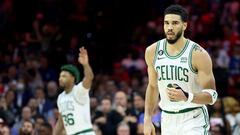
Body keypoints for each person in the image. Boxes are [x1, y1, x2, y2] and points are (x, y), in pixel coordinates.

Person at [144, 4, 218, 135]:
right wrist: (147, 119)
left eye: (175, 23)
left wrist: (187, 96)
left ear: (185, 25)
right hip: (167, 118)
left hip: (193, 118)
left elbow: (212, 96)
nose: (170, 27)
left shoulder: (198, 54)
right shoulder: (152, 51)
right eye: (166, 23)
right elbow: (152, 86)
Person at [53, 47, 95, 135]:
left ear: (73, 78)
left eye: (64, 76)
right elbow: (61, 122)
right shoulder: (60, 97)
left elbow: (89, 78)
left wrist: (85, 64)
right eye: (60, 76)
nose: (60, 79)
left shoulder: (79, 90)